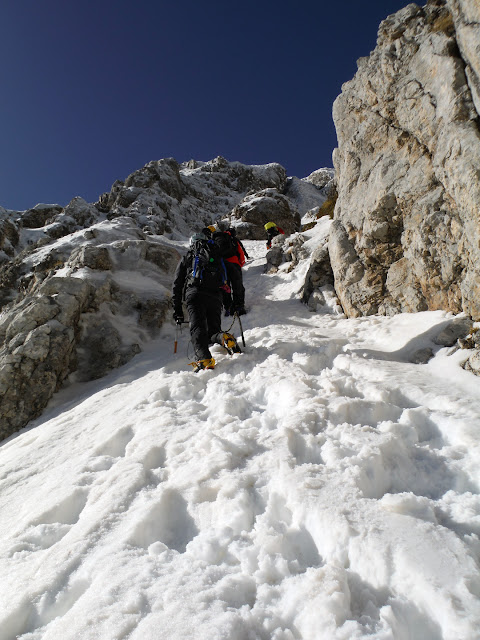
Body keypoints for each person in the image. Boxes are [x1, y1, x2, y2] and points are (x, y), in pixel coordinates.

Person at [172, 232, 241, 372]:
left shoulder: (188, 257)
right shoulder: (216, 256)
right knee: (213, 331)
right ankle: (224, 337)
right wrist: (232, 303)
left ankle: (204, 359)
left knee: (198, 328)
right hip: (215, 296)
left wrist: (177, 310)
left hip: (195, 294)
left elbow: (177, 285)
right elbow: (230, 278)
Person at [211, 226, 248, 316]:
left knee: (225, 286)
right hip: (234, 264)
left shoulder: (215, 240)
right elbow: (241, 253)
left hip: (221, 265)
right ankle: (239, 306)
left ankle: (228, 307)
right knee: (237, 285)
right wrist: (240, 264)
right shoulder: (232, 239)